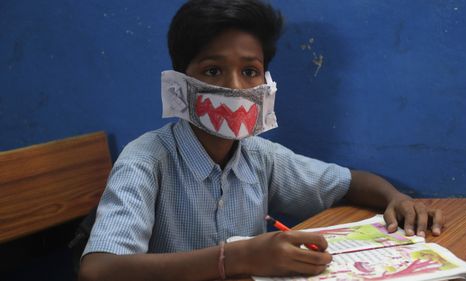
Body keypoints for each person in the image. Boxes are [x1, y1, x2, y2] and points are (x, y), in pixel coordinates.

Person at [78, 0, 444, 280]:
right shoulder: (145, 159)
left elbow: (349, 184)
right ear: (179, 85)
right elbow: (98, 270)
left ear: (265, 84)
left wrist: (396, 198)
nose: (235, 87)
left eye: (250, 71)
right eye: (213, 70)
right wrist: (235, 257)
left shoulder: (260, 156)